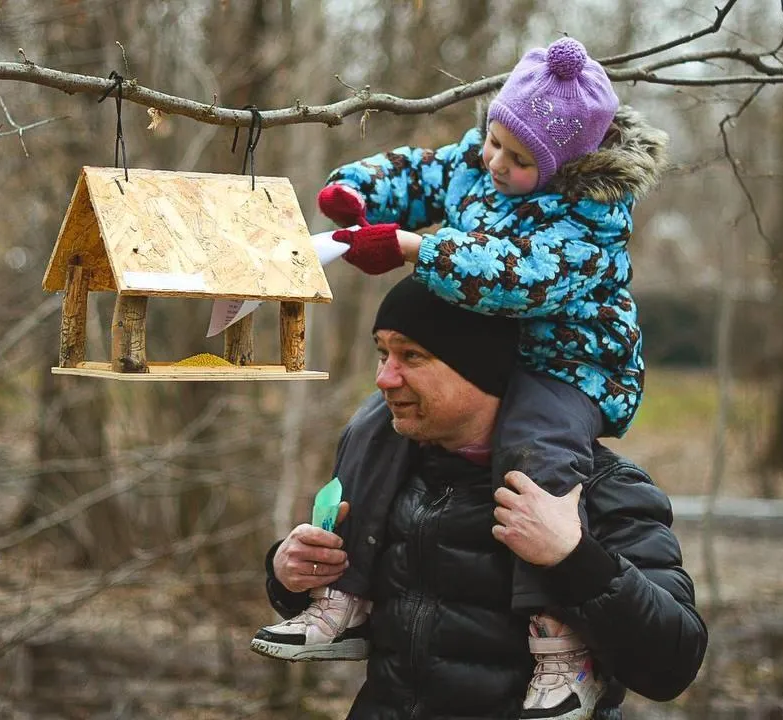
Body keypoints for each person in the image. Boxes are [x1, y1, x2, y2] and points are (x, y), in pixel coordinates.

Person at [251, 36, 670, 719]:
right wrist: (359, 191)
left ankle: (560, 642)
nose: (496, 163)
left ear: (563, 163)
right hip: (498, 341)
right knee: (369, 426)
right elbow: (422, 172)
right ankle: (344, 594)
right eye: (495, 142)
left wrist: (417, 246)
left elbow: (518, 276)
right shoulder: (484, 161)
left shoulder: (588, 218)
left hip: (570, 364)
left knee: (536, 456)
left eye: (520, 158)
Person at [253, 276, 707, 719]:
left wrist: (574, 558)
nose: (385, 378)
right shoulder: (386, 470)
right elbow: (400, 626)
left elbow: (672, 665)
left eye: (412, 355)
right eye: (382, 353)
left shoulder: (599, 487)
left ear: (482, 369)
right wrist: (291, 573)